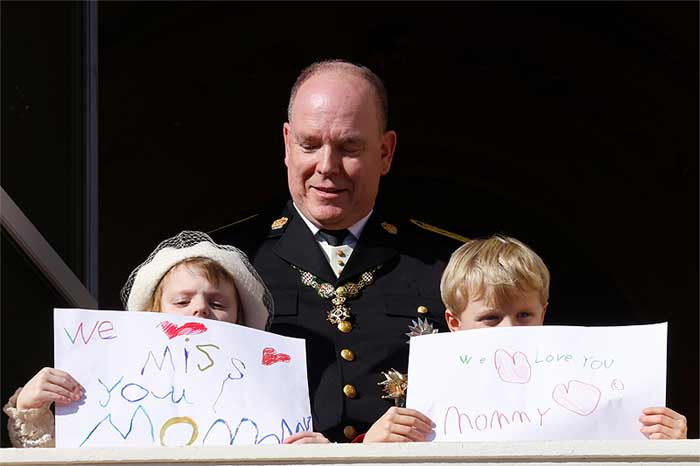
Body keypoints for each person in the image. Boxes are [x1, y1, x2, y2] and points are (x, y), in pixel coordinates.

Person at [212, 59, 465, 442]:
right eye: (310, 145)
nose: (327, 167)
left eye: (349, 147)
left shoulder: (448, 264)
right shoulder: (225, 261)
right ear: (286, 144)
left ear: (385, 152)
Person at [3, 231, 328, 447]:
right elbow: (62, 453)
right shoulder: (107, 385)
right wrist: (32, 409)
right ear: (153, 313)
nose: (200, 309)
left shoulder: (270, 397)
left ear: (240, 320)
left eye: (217, 303)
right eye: (182, 301)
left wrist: (318, 456)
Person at [361, 235, 688, 442]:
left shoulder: (587, 379)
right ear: (454, 322)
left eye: (524, 316)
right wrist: (371, 448)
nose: (509, 331)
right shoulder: (427, 401)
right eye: (490, 318)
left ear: (543, 314)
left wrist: (671, 447)